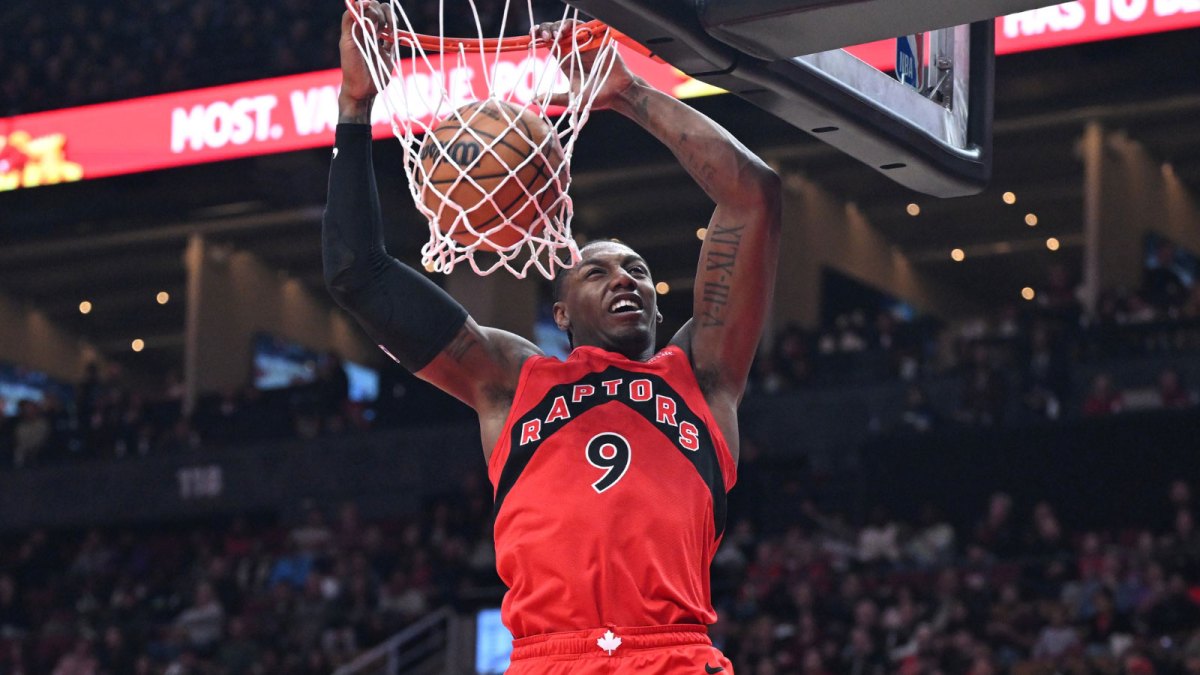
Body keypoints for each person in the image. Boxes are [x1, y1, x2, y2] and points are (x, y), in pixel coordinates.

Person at [323, 3, 780, 672]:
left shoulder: (703, 377)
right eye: (597, 270)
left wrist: (628, 94)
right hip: (549, 657)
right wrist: (355, 105)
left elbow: (754, 197)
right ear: (561, 313)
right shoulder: (510, 380)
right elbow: (358, 273)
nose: (624, 278)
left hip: (671, 655)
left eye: (638, 271)